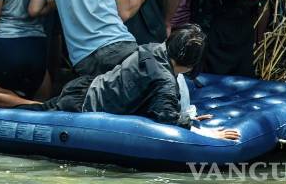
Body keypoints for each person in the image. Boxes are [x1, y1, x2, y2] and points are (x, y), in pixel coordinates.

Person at [28, 25, 240, 140]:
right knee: (30, 116)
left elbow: (149, 97)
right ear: (192, 63)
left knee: (34, 110)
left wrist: (184, 115)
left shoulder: (154, 49)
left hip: (84, 88)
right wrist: (211, 133)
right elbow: (167, 120)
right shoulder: (165, 80)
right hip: (82, 104)